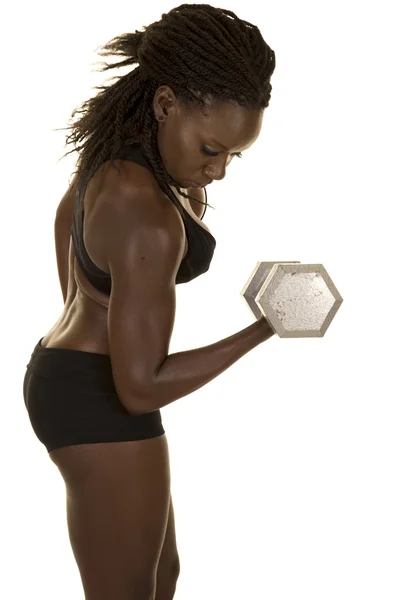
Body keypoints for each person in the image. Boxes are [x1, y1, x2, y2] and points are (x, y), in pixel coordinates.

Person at [22, 4, 276, 599]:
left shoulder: (117, 154)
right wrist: (264, 328)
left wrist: (87, 310)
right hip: (100, 399)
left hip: (73, 375)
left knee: (161, 578)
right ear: (166, 104)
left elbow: (68, 222)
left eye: (232, 156)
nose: (217, 171)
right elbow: (140, 387)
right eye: (211, 149)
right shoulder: (148, 217)